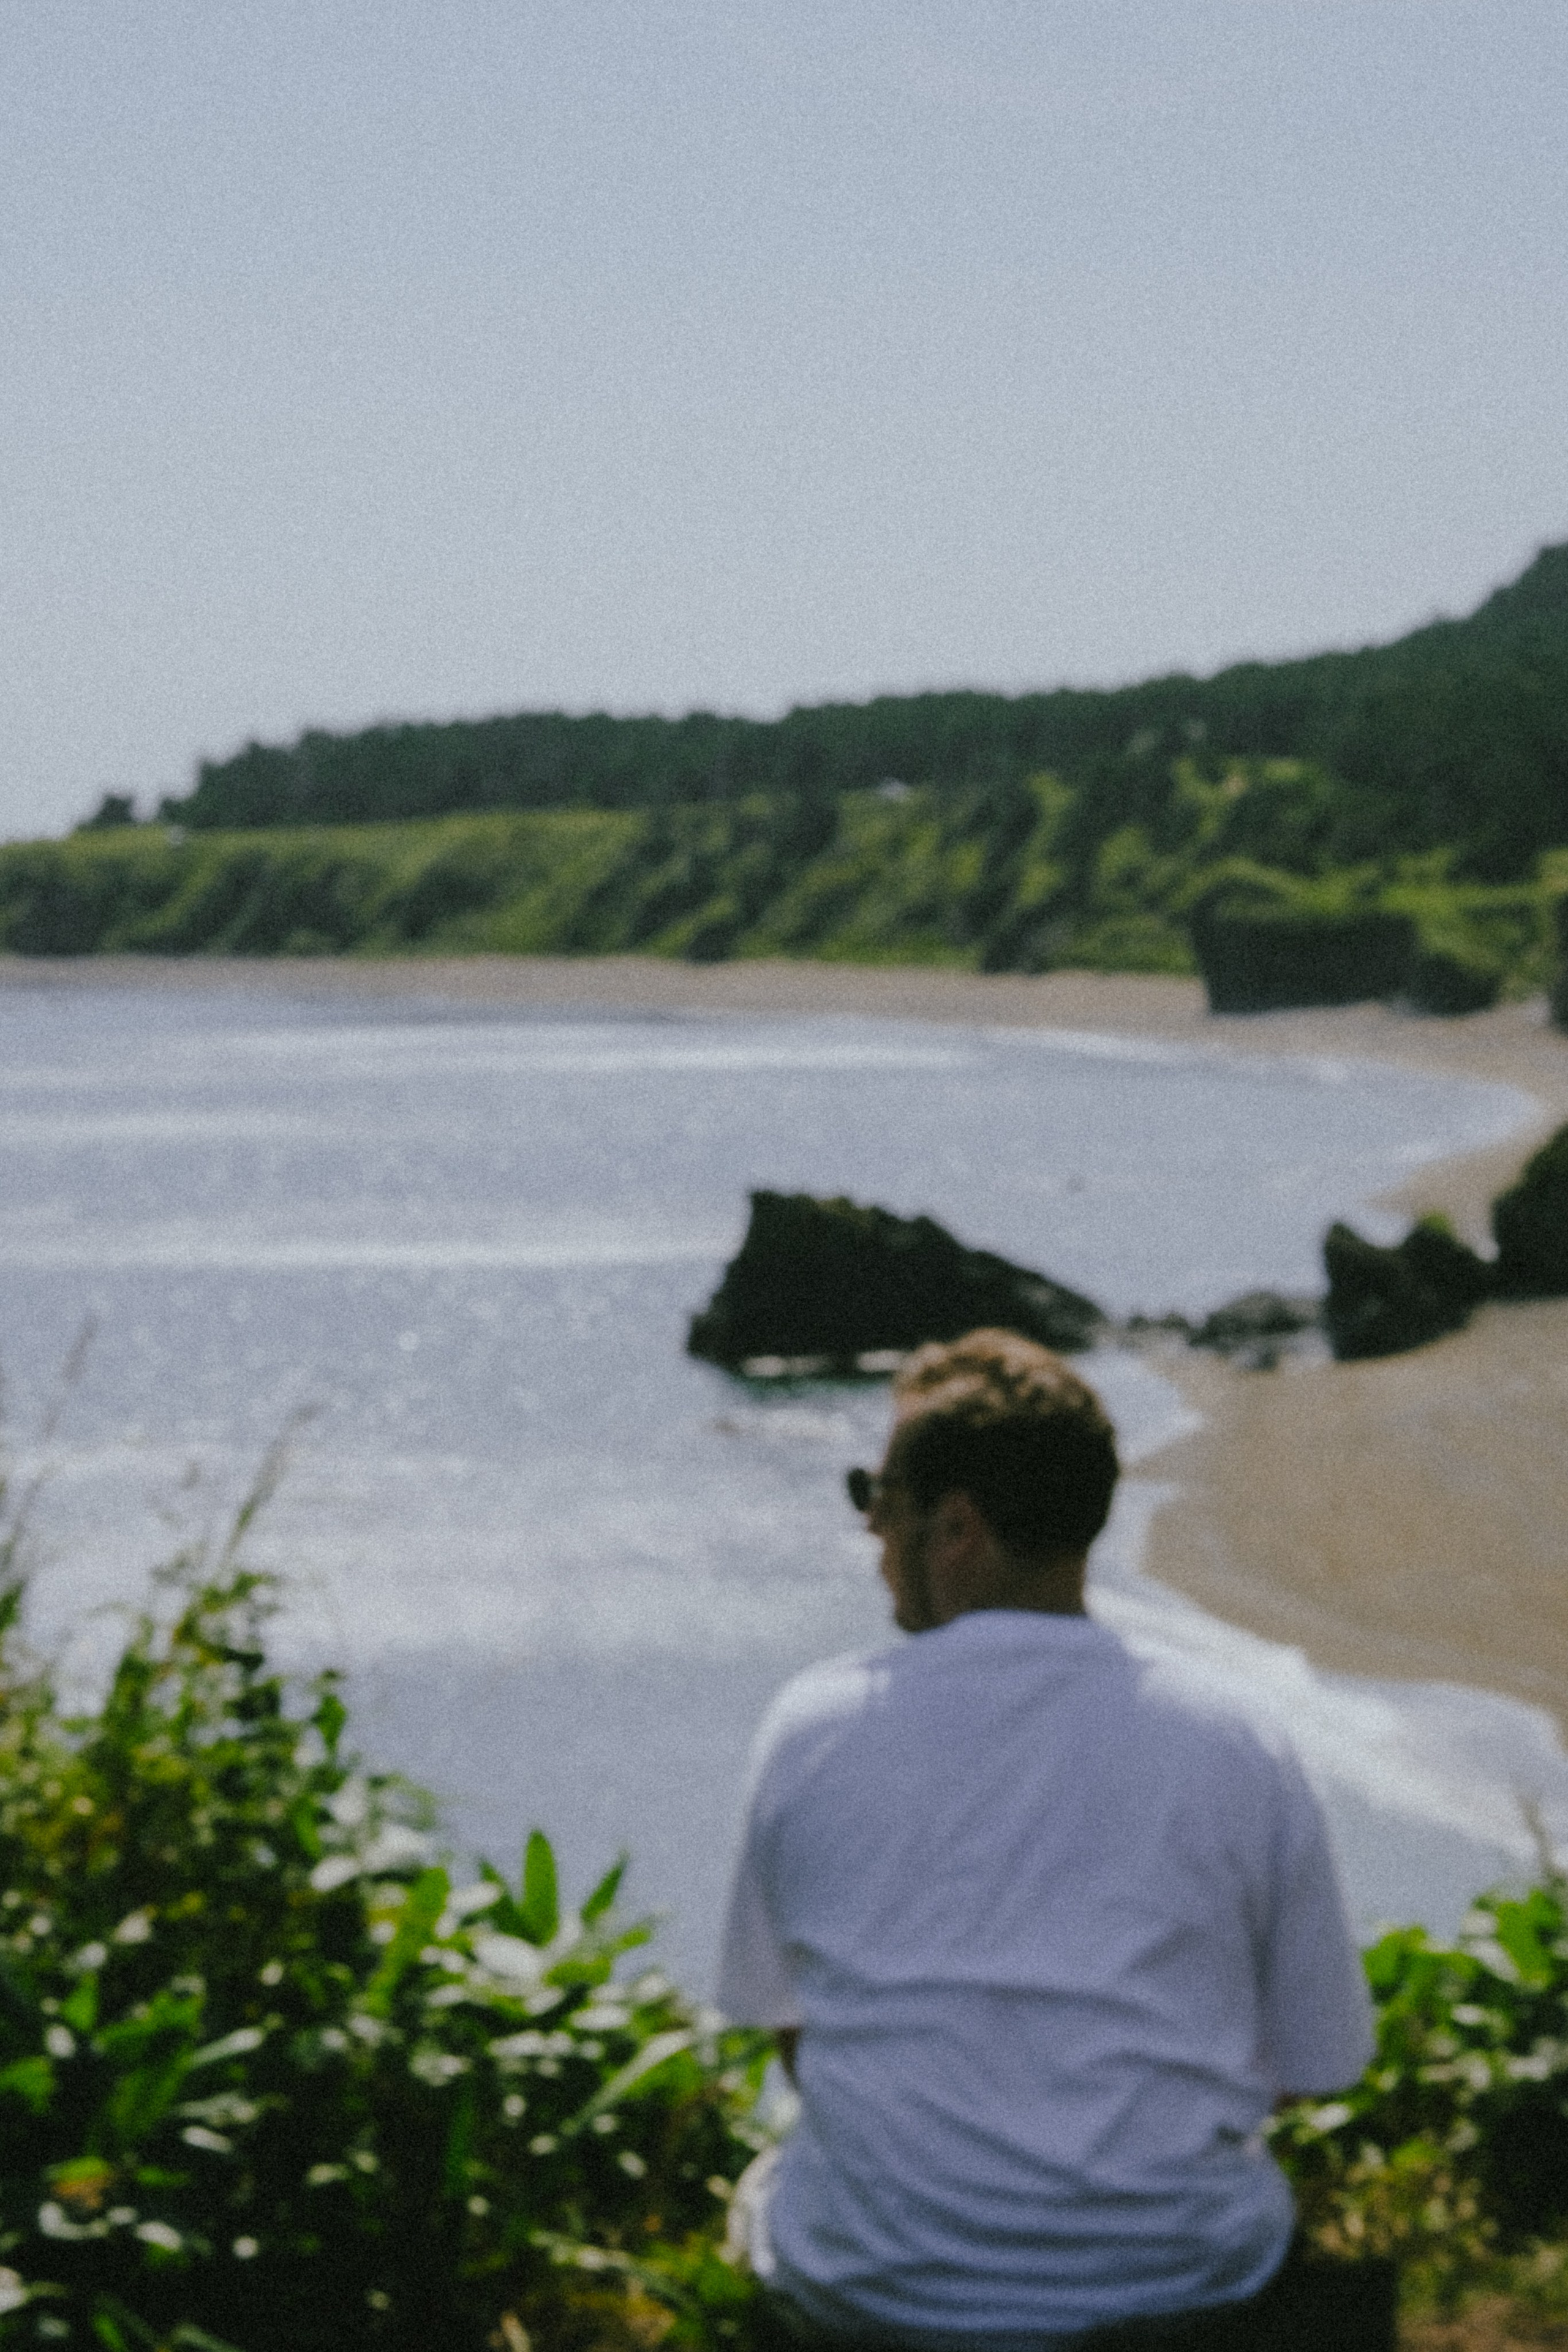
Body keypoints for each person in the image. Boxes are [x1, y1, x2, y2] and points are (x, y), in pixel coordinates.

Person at [716, 1329, 1385, 2350]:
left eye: (878, 1496)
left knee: (767, 2192)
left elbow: (790, 2032)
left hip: (883, 2290)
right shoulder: (1235, 1737)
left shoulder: (816, 1727)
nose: (870, 1530)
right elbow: (1315, 2062)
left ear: (956, 1527)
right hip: (1175, 2280)